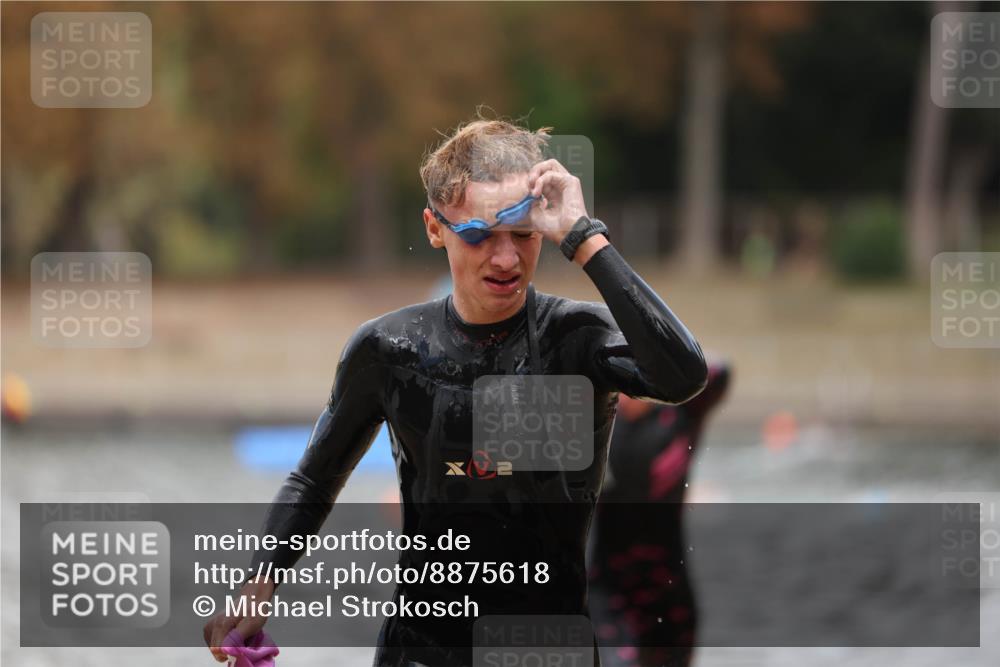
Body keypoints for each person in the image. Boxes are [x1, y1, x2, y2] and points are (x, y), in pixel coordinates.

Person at [203, 117, 709, 666]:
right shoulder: (389, 349)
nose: (506, 258)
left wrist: (584, 236)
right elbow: (314, 479)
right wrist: (258, 586)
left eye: (523, 234)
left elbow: (683, 376)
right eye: (478, 235)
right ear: (434, 228)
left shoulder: (576, 340)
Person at [589, 362, 731, 667]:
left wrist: (660, 360)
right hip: (611, 589)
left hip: (669, 587)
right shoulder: (597, 425)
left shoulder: (680, 416)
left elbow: (719, 372)